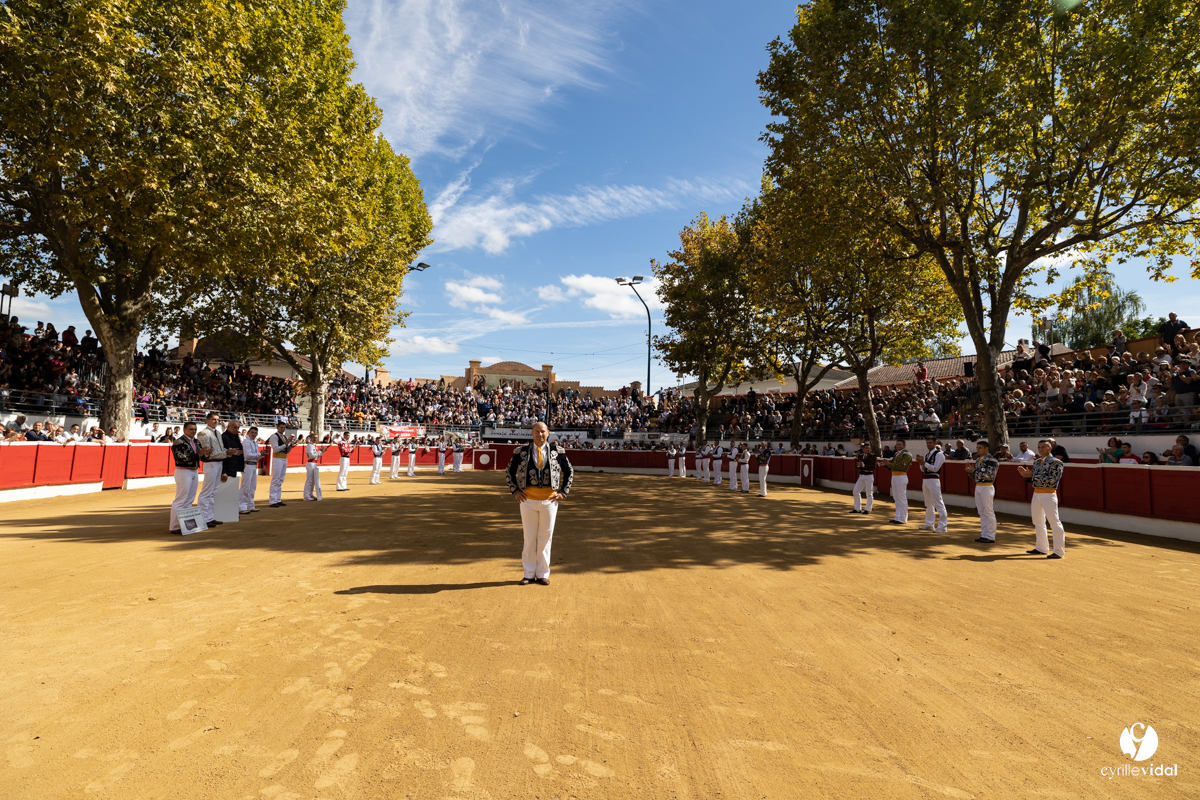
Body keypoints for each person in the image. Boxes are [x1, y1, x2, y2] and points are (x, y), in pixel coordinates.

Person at [506, 422, 573, 586]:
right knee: (529, 538)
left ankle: (543, 573)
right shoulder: (520, 452)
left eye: (542, 431)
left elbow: (569, 471)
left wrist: (563, 492)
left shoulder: (558, 452)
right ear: (532, 433)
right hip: (527, 500)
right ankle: (528, 574)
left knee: (545, 538)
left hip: (550, 501)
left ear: (548, 433)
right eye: (537, 431)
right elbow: (509, 471)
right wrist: (515, 490)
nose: (540, 434)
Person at [1017, 440, 1067, 558]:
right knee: (1038, 521)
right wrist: (1025, 475)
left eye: (1044, 447)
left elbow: (1052, 479)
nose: (1041, 449)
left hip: (1049, 494)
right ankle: (1042, 547)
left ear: (1050, 448)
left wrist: (1031, 475)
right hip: (1037, 493)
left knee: (1054, 522)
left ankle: (1059, 551)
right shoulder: (1037, 462)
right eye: (1039, 447)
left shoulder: (1056, 462)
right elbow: (1032, 479)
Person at [168, 421, 207, 534]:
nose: (193, 431)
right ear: (184, 430)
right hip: (183, 471)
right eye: (191, 429)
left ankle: (185, 525)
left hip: (194, 471)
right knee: (181, 499)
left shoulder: (195, 441)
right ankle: (175, 526)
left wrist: (206, 454)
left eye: (195, 429)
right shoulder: (178, 442)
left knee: (189, 499)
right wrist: (199, 454)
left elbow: (202, 458)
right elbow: (182, 458)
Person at [195, 412, 229, 527]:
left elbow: (220, 449)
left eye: (218, 419)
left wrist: (227, 452)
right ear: (207, 420)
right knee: (207, 492)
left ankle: (209, 517)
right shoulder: (203, 433)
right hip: (210, 464)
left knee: (213, 491)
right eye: (214, 419)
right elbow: (209, 453)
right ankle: (204, 518)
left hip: (218, 463)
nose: (216, 421)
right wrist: (226, 453)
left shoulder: (218, 432)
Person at [966, 440, 999, 543]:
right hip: (979, 486)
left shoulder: (992, 460)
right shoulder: (978, 460)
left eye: (980, 448)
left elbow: (990, 475)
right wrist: (970, 472)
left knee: (988, 511)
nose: (978, 450)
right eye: (977, 448)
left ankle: (990, 536)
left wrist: (974, 471)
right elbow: (975, 475)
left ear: (986, 448)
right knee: (981, 511)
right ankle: (984, 534)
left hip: (987, 486)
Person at [919, 435, 949, 532]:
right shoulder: (927, 455)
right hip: (926, 479)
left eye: (930, 442)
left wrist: (923, 463)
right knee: (928, 502)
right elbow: (923, 469)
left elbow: (936, 468)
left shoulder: (939, 454)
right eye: (927, 443)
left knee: (938, 502)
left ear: (935, 443)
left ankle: (943, 526)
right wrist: (921, 464)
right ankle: (929, 523)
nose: (928, 444)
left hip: (934, 479)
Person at [266, 422, 295, 508]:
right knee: (276, 479)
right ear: (277, 427)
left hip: (284, 458)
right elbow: (275, 449)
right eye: (281, 427)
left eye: (284, 427)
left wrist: (290, 446)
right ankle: (272, 501)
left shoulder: (285, 437)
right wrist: (286, 444)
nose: (283, 429)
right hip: (277, 459)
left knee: (280, 479)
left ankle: (278, 499)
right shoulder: (274, 436)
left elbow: (287, 451)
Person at [220, 420, 246, 512]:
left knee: (230, 490)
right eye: (235, 427)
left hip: (233, 466)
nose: (236, 429)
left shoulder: (236, 437)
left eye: (238, 428)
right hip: (226, 467)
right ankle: (224, 512)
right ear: (229, 427)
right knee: (224, 490)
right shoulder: (224, 437)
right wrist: (223, 471)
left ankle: (229, 511)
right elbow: (221, 455)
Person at [885, 439, 913, 524]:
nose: (898, 446)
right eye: (897, 444)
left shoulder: (907, 454)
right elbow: (893, 466)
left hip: (901, 476)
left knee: (901, 497)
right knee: (896, 497)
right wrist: (885, 465)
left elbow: (901, 466)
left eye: (900, 444)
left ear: (904, 445)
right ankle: (897, 517)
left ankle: (903, 518)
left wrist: (888, 464)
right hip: (894, 476)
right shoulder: (897, 454)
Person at [851, 443, 877, 514]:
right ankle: (857, 509)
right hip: (861, 475)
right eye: (867, 448)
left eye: (869, 448)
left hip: (869, 475)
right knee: (855, 491)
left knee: (869, 493)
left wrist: (863, 466)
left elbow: (873, 467)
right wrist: (858, 466)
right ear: (863, 449)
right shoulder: (860, 456)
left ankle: (867, 509)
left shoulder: (873, 456)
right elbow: (855, 467)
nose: (868, 449)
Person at [240, 426, 260, 513]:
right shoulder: (246, 442)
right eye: (252, 432)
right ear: (248, 433)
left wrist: (262, 454)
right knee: (245, 487)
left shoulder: (255, 443)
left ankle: (250, 506)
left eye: (255, 433)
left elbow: (255, 456)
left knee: (252, 487)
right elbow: (247, 456)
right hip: (247, 465)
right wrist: (260, 455)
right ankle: (242, 507)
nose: (254, 434)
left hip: (253, 465)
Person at [303, 434, 329, 501]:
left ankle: (310, 494)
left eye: (316, 438)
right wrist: (320, 451)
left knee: (313, 480)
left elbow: (316, 456)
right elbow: (312, 456)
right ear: (310, 438)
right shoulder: (310, 446)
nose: (315, 439)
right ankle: (306, 496)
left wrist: (322, 452)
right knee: (309, 480)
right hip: (311, 463)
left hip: (314, 463)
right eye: (314, 437)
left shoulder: (313, 446)